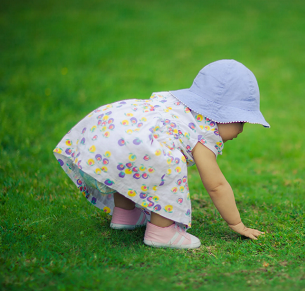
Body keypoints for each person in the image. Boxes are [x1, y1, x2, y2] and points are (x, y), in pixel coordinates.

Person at [53, 59, 270, 249]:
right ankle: (162, 231)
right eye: (241, 121)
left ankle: (125, 214)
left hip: (118, 127)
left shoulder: (178, 106)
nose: (241, 130)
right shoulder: (204, 133)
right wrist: (236, 224)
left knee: (133, 161)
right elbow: (216, 185)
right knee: (166, 167)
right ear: (221, 116)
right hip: (144, 143)